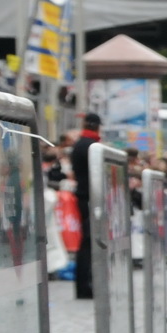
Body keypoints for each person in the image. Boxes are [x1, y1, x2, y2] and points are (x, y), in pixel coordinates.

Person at [69, 112, 102, 299]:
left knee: (88, 242)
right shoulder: (91, 146)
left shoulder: (81, 144)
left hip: (85, 197)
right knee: (87, 242)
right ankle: (85, 285)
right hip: (89, 198)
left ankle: (85, 284)